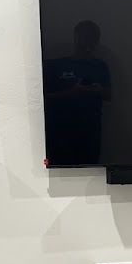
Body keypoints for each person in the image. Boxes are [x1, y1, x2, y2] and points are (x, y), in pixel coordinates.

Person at [42, 20, 112, 165]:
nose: (89, 42)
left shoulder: (100, 65)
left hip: (90, 133)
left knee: (90, 175)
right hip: (60, 133)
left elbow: (109, 95)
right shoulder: (54, 66)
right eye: (85, 37)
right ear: (76, 37)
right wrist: (71, 93)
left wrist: (97, 90)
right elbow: (42, 99)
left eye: (93, 38)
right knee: (59, 177)